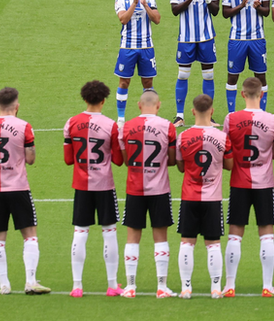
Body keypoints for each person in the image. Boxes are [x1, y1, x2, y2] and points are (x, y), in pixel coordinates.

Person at [0, 87, 50, 295]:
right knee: (30, 235)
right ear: (17, 106)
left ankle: (4, 285)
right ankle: (30, 281)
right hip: (19, 188)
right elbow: (30, 159)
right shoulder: (25, 127)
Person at [221, 77, 274, 297]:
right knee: (266, 234)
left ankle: (229, 286)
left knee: (235, 234)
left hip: (238, 182)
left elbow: (225, 152)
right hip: (264, 184)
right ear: (262, 94)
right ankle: (267, 285)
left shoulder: (231, 119)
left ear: (242, 94)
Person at [63, 80, 125, 298]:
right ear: (104, 100)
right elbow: (118, 160)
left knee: (80, 233)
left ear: (84, 98)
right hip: (104, 186)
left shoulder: (71, 122)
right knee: (109, 233)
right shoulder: (111, 125)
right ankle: (112, 285)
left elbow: (68, 160)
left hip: (81, 186)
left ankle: (77, 286)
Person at [119, 90, 177, 298]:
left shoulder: (127, 126)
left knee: (132, 237)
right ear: (159, 105)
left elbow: (125, 159)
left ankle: (130, 286)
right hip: (159, 189)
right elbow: (171, 160)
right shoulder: (167, 126)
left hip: (134, 189)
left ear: (138, 105)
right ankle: (162, 286)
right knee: (160, 236)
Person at [175, 94, 233, 299]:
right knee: (213, 243)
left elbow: (181, 167)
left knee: (187, 242)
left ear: (192, 111)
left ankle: (186, 288)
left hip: (189, 196)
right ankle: (216, 288)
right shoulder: (222, 137)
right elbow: (229, 165)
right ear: (212, 111)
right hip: (213, 198)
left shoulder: (183, 136)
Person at [170, 0, 220, 128]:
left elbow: (215, 11)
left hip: (206, 37)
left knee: (209, 75)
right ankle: (179, 116)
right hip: (186, 37)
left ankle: (208, 116)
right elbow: (175, 10)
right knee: (183, 75)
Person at [220, 0, 271, 114]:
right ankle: (231, 113)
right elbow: (225, 13)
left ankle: (261, 112)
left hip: (257, 39)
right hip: (237, 39)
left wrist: (258, 7)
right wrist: (241, 5)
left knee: (260, 76)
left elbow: (267, 11)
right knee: (232, 76)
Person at [114, 0, 160, 125]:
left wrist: (145, 4)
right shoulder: (121, 0)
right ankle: (121, 119)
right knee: (124, 82)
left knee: (148, 83)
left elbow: (157, 19)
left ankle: (148, 116)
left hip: (147, 47)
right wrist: (134, 3)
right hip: (128, 48)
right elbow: (123, 19)